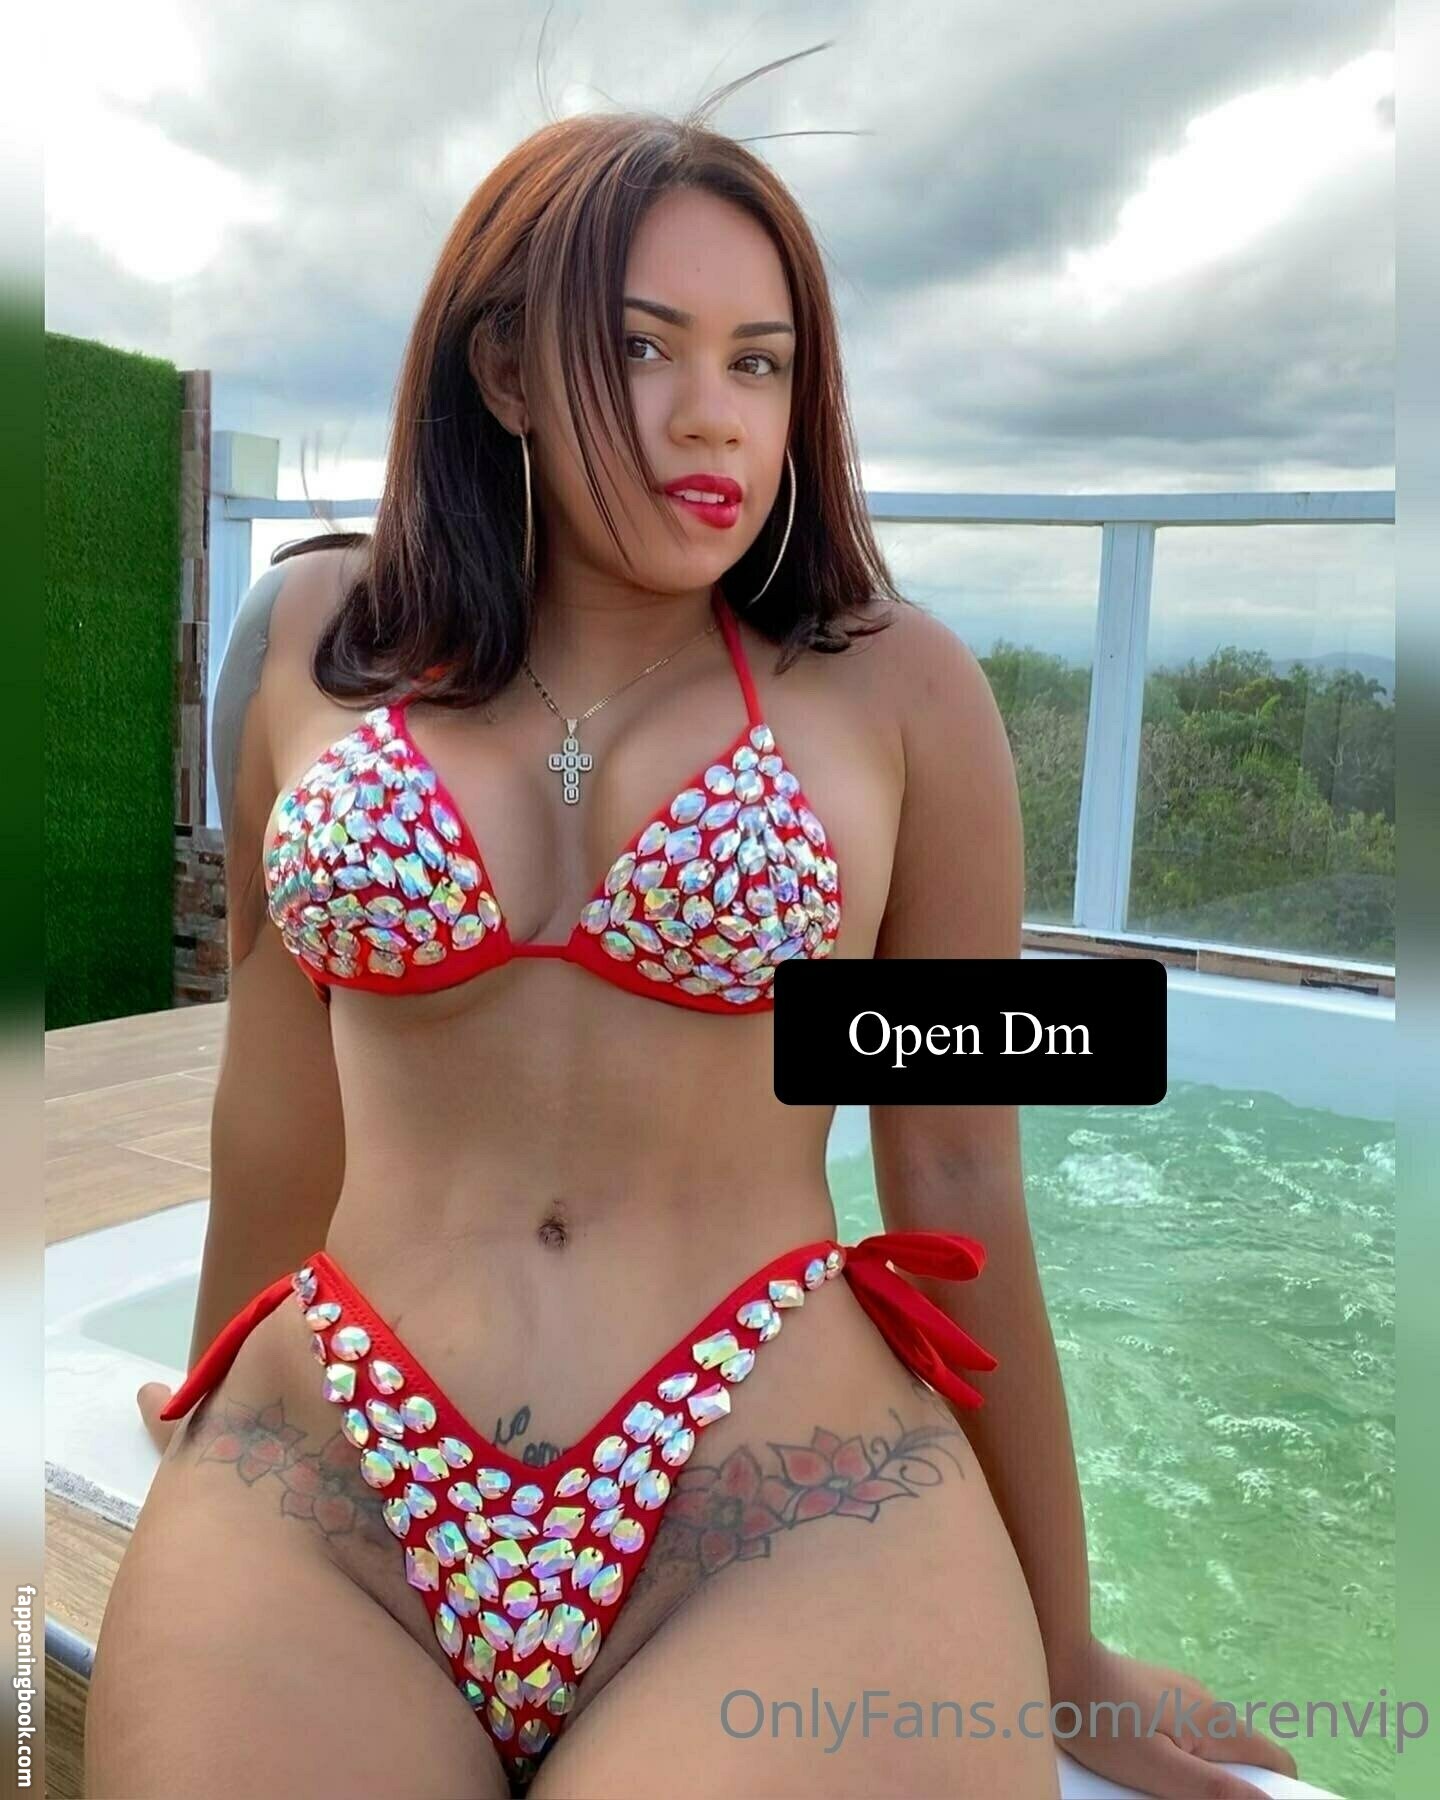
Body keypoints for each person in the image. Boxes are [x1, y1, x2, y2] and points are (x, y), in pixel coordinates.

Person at [86, 56, 1299, 1800]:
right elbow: (274, 1093)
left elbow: (959, 1173)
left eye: (759, 363)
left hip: (777, 1502)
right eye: (645, 349)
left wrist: (1069, 1652)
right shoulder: (310, 639)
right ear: (505, 368)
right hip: (332, 1479)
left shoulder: (898, 693)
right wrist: (209, 1397)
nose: (712, 416)